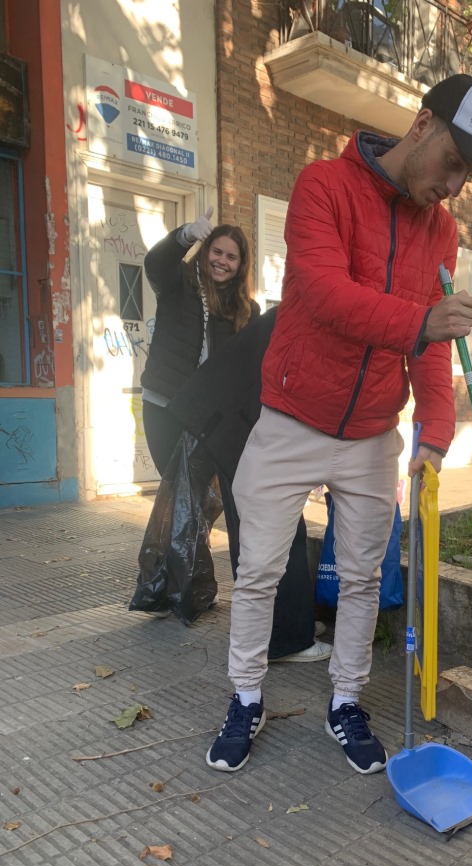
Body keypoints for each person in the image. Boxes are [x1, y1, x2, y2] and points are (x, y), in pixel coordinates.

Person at [205, 74, 472, 775]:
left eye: (471, 173)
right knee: (259, 571)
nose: (456, 184)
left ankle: (345, 702)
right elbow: (323, 292)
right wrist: (420, 322)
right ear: (423, 125)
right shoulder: (323, 187)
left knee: (366, 579)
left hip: (373, 430)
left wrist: (434, 432)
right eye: (455, 162)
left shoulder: (443, 231)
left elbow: (432, 349)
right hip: (290, 417)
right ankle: (246, 696)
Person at [138, 213, 332, 662]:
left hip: (216, 420)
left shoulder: (246, 314)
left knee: (239, 510)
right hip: (169, 412)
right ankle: (194, 599)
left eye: (231, 256)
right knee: (185, 506)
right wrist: (186, 234)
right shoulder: (179, 287)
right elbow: (155, 263)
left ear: (241, 264)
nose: (222, 261)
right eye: (216, 252)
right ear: (204, 254)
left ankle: (276, 623)